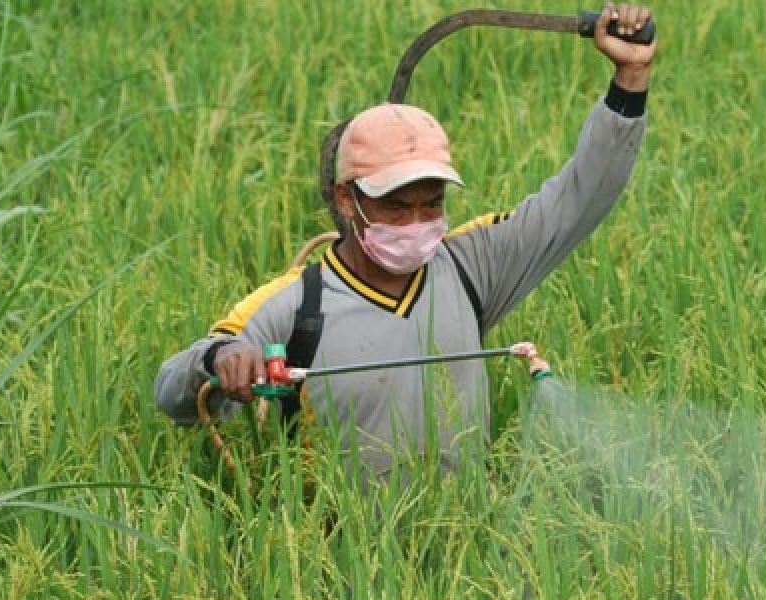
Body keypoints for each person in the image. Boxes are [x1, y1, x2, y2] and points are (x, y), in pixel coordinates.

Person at [154, 3, 655, 480]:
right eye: (396, 205)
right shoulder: (296, 306)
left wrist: (629, 81)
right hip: (338, 553)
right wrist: (218, 360)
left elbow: (578, 201)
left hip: (464, 549)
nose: (416, 221)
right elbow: (173, 393)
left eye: (431, 203)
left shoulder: (468, 268)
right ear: (347, 200)